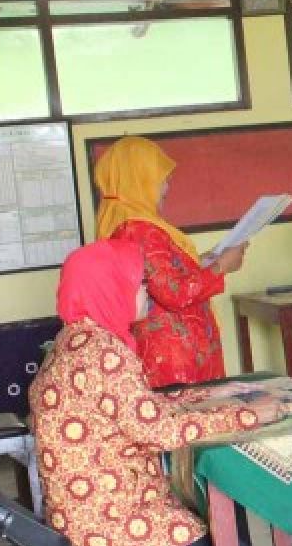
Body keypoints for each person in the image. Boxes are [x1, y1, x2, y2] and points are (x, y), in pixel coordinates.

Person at [29, 240, 283, 546]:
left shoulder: (79, 339)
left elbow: (141, 409)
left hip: (91, 504)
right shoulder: (102, 353)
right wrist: (246, 414)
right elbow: (160, 431)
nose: (146, 289)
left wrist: (210, 394)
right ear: (111, 287)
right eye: (138, 282)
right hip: (110, 513)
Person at [94, 136, 247, 388]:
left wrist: (207, 260)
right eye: (161, 178)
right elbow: (173, 292)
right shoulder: (138, 229)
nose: (167, 186)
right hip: (172, 357)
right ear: (139, 179)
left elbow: (162, 273)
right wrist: (221, 267)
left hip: (173, 350)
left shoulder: (127, 221)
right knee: (194, 422)